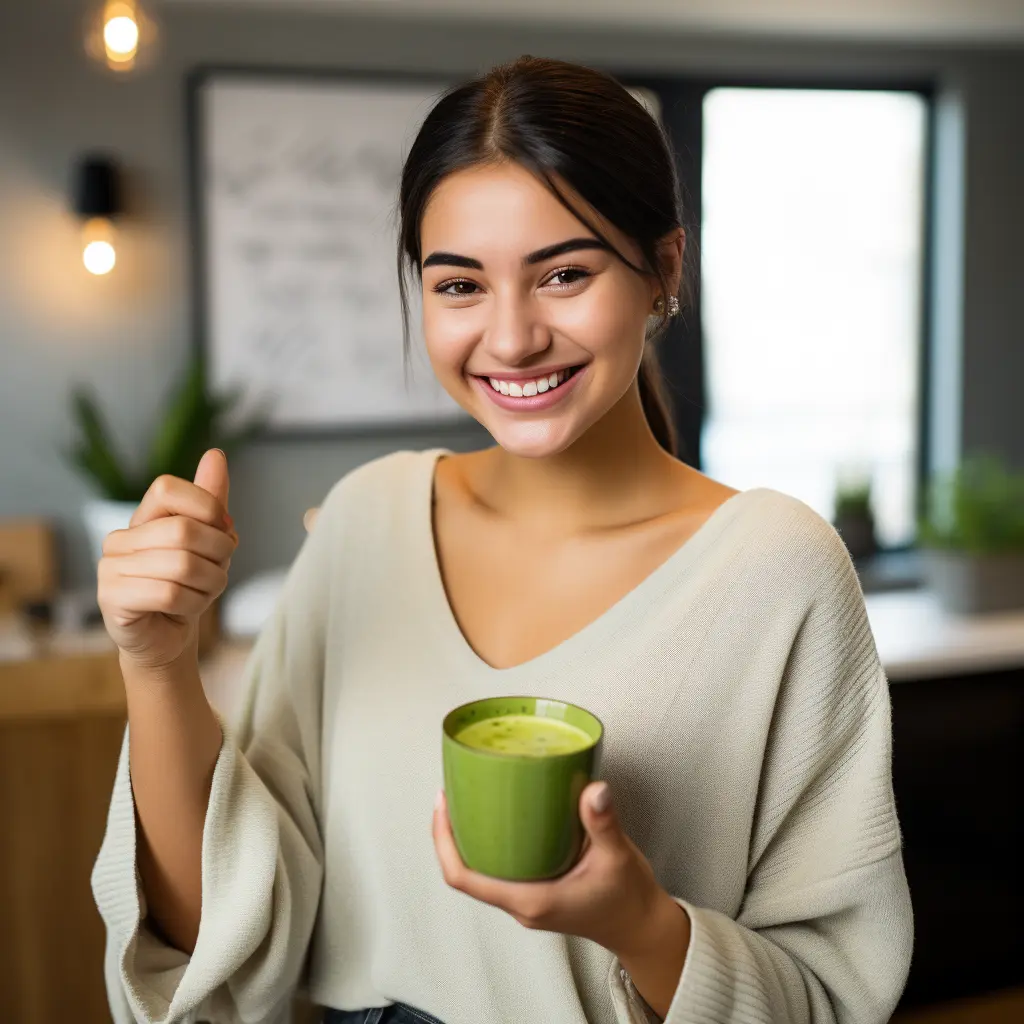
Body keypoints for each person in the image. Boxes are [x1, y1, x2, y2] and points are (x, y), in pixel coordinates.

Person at [92, 56, 913, 1024]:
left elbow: (826, 994)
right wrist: (157, 663)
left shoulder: (775, 566)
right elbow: (223, 936)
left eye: (564, 273)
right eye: (459, 285)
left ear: (665, 270)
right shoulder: (367, 516)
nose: (512, 338)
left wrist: (639, 920)